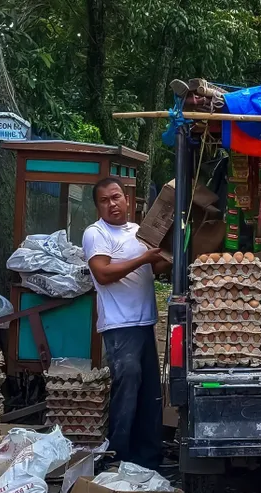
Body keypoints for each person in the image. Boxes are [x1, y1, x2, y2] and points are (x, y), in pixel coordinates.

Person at [82, 177, 168, 469]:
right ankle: (117, 458)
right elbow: (103, 273)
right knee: (126, 389)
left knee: (149, 394)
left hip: (145, 322)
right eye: (105, 200)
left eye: (116, 197)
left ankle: (148, 459)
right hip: (120, 326)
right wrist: (144, 258)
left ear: (128, 199)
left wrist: (175, 249)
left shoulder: (138, 232)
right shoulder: (96, 233)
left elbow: (156, 266)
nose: (112, 204)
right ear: (98, 206)